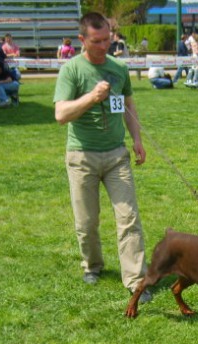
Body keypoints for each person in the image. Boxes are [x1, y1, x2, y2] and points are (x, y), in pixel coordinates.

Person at [53, 12, 150, 301]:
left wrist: (136, 140)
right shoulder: (71, 71)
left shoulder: (119, 68)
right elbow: (60, 115)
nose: (104, 45)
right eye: (97, 41)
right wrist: (91, 98)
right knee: (87, 222)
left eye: (107, 38)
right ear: (82, 40)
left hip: (116, 156)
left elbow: (129, 107)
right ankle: (92, 265)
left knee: (129, 217)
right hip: (82, 156)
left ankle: (136, 280)